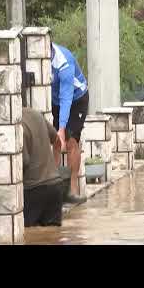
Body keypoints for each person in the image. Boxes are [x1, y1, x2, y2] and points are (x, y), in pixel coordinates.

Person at [51, 42, 89, 203]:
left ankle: (72, 191)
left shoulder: (63, 63)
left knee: (71, 140)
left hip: (76, 99)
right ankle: (53, 189)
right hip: (56, 100)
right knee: (56, 142)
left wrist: (62, 128)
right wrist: (57, 133)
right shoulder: (36, 58)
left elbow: (66, 99)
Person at [22, 107, 63, 227]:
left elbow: (24, 162)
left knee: (30, 237)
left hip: (32, 190)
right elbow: (57, 140)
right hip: (55, 187)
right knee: (53, 237)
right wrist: (55, 168)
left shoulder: (16, 125)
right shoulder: (36, 114)